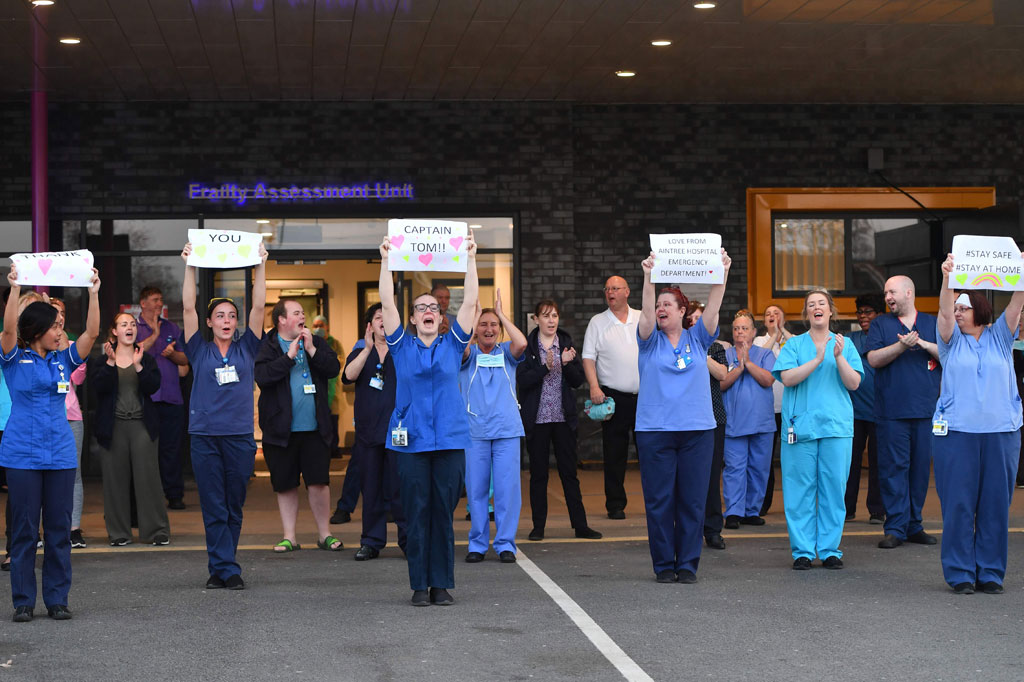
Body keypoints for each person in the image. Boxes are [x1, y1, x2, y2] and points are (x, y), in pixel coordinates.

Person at [378, 233, 478, 607]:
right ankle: (419, 585)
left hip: (450, 441)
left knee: (442, 514)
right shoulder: (400, 346)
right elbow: (386, 301)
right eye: (421, 307)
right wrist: (385, 261)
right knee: (416, 514)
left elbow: (471, 301)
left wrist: (470, 259)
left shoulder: (453, 344)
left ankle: (441, 585)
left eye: (433, 306)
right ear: (413, 318)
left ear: (440, 316)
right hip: (412, 443)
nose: (427, 311)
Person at [1, 264, 101, 622]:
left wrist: (93, 293)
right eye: (55, 327)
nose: (61, 332)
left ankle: (57, 598)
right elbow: (9, 329)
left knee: (59, 531)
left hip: (59, 453)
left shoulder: (63, 359)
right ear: (36, 331)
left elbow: (92, 332)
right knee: (25, 531)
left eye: (60, 326)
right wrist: (15, 289)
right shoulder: (14, 357)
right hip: (22, 455)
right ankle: (23, 601)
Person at [635, 249, 730, 583]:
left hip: (697, 433)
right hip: (655, 433)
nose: (661, 309)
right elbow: (646, 316)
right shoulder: (649, 342)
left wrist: (721, 273)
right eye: (658, 305)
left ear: (682, 311)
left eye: (667, 304)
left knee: (692, 501)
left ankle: (687, 564)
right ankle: (663, 565)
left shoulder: (698, 339)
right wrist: (648, 277)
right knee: (659, 501)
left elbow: (714, 308)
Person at [932, 256, 1024, 595]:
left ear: (981, 310)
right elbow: (944, 314)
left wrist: (1021, 273)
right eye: (956, 308)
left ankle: (990, 572)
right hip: (957, 434)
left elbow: (1016, 303)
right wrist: (948, 280)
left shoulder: (1001, 335)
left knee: (995, 505)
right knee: (958, 504)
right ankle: (960, 573)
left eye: (964, 308)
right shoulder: (950, 340)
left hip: (1002, 433)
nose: (958, 313)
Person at [180, 240, 268, 591]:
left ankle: (221, 566)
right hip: (204, 437)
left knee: (234, 504)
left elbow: (259, 306)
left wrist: (260, 265)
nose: (227, 320)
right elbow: (187, 306)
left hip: (239, 437)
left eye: (232, 315)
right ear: (209, 322)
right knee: (214, 505)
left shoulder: (248, 347)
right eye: (220, 316)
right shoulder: (197, 349)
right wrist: (189, 265)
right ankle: (226, 567)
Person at [773, 290, 863, 570]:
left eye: (821, 303)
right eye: (811, 305)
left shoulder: (845, 344)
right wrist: (817, 358)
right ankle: (802, 551)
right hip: (800, 428)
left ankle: (829, 549)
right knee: (798, 490)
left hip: (836, 427)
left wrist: (838, 357)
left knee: (834, 489)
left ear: (830, 311)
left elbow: (854, 383)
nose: (816, 307)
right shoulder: (794, 345)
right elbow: (787, 378)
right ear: (806, 313)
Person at [255, 299, 342, 553]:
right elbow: (263, 377)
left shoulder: (316, 342)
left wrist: (312, 349)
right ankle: (289, 537)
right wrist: (289, 357)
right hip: (280, 431)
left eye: (303, 312)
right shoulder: (268, 346)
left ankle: (325, 534)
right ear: (281, 319)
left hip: (315, 429)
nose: (302, 316)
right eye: (296, 313)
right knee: (285, 484)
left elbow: (333, 368)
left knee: (319, 483)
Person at [866, 276, 941, 549]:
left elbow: (949, 355)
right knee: (893, 470)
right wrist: (902, 346)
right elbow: (873, 359)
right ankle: (895, 527)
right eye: (886, 292)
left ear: (909, 293)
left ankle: (913, 525)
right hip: (891, 412)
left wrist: (923, 344)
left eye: (892, 292)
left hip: (925, 410)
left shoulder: (932, 323)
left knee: (920, 472)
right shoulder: (880, 324)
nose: (888, 297)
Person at [518, 300, 602, 543]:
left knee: (569, 473)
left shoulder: (565, 343)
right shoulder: (527, 347)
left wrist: (565, 365)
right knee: (539, 475)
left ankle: (580, 525)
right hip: (538, 419)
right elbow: (523, 381)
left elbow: (577, 381)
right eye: (546, 316)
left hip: (563, 418)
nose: (551, 320)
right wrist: (546, 367)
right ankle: (538, 527)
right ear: (536, 319)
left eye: (554, 315)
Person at [88, 313, 170, 546]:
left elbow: (153, 387)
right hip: (113, 427)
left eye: (132, 324)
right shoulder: (102, 360)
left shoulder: (145, 358)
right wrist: (110, 362)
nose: (129, 327)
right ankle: (119, 533)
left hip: (142, 426)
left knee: (148, 480)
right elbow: (99, 388)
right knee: (115, 481)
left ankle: (156, 531)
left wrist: (138, 365)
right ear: (114, 331)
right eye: (124, 324)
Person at [460, 291, 527, 563]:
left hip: (506, 430)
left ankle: (505, 543)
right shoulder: (468, 354)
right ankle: (477, 544)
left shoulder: (506, 352)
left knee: (506, 491)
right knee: (476, 490)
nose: (489, 329)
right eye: (483, 325)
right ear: (476, 330)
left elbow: (522, 342)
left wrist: (501, 315)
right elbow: (460, 345)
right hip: (475, 431)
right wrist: (474, 317)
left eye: (493, 325)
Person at [343, 303, 407, 561]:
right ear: (370, 325)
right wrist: (368, 348)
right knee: (370, 490)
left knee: (401, 490)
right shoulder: (360, 351)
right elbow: (348, 376)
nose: (384, 321)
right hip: (369, 433)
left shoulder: (404, 350)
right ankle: (371, 541)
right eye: (379, 317)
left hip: (399, 432)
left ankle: (408, 541)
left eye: (387, 317)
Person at [581, 275, 640, 520]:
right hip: (613, 396)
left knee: (651, 452)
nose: (610, 292)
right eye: (607, 289)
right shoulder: (597, 322)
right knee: (614, 454)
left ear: (627, 291)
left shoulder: (642, 318)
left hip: (645, 397)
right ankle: (615, 505)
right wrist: (594, 387)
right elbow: (588, 358)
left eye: (615, 288)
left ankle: (658, 501)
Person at [719, 310, 776, 529]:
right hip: (734, 423)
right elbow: (721, 384)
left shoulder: (765, 355)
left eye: (744, 328)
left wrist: (749, 363)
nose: (740, 332)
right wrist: (739, 368)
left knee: (759, 468)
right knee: (734, 469)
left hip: (762, 423)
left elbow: (768, 380)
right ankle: (734, 511)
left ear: (753, 332)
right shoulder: (724, 354)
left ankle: (752, 510)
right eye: (736, 328)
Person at [136, 286, 190, 511]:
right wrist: (155, 336)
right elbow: (133, 354)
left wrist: (172, 354)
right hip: (144, 399)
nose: (159, 303)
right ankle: (147, 496)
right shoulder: (134, 327)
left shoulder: (172, 328)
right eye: (155, 299)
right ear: (143, 303)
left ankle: (174, 495)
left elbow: (185, 360)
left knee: (171, 450)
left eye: (161, 299)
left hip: (171, 398)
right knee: (145, 450)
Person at [690, 301, 728, 551]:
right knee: (688, 477)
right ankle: (689, 530)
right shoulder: (677, 348)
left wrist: (700, 354)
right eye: (691, 319)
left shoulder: (715, 348)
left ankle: (713, 529)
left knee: (712, 476)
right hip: (686, 420)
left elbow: (722, 374)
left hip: (714, 419)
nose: (695, 323)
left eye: (699, 319)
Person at [845, 294, 885, 524]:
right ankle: (846, 508)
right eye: (860, 312)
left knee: (879, 463)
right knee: (849, 462)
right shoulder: (850, 339)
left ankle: (877, 510)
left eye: (868, 311)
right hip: (853, 411)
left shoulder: (889, 338)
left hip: (882, 411)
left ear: (879, 314)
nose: (863, 316)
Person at [753, 304, 792, 516]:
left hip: (789, 409)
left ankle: (793, 503)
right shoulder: (759, 341)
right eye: (768, 314)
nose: (772, 316)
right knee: (765, 459)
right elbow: (759, 356)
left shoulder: (792, 340)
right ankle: (762, 503)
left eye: (776, 313)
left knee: (791, 457)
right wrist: (774, 335)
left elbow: (799, 349)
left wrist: (782, 331)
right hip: (767, 409)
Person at [312, 314, 344, 457]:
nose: (318, 328)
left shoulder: (335, 343)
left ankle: (334, 449)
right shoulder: (309, 342)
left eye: (321, 325)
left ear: (327, 327)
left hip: (333, 388)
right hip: (316, 388)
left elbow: (340, 361)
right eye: (315, 326)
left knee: (333, 421)